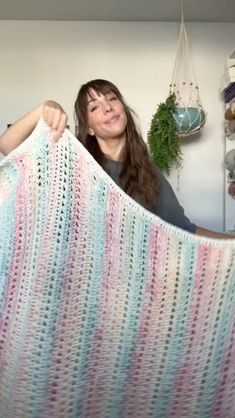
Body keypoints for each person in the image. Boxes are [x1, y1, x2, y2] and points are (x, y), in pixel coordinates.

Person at [0, 79, 232, 239]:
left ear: (123, 109)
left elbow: (184, 231)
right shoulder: (74, 166)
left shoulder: (149, 175)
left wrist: (229, 241)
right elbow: (7, 145)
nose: (108, 108)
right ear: (88, 128)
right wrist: (45, 107)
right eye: (94, 107)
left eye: (112, 99)